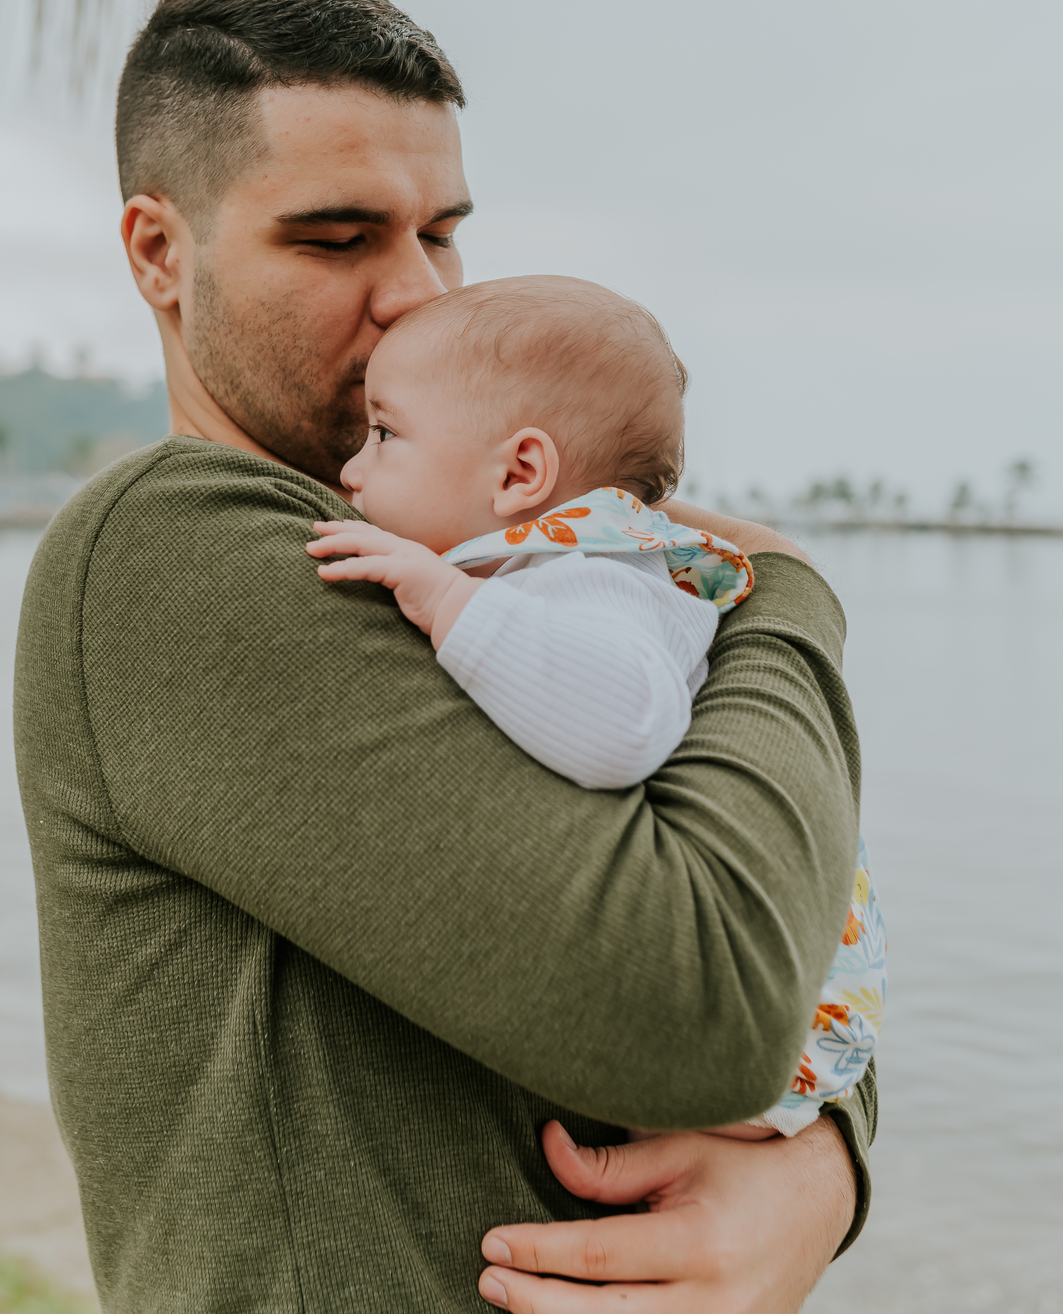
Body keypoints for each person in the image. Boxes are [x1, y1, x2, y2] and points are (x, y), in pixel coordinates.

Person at [14, 0, 875, 1314]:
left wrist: (824, 1158)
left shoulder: (484, 559)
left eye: (443, 232)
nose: (418, 294)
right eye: (337, 237)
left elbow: (792, 903)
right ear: (157, 252)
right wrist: (780, 592)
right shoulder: (178, 546)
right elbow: (711, 998)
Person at [307, 273, 886, 1144]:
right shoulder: (566, 561)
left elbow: (622, 730)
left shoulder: (598, 577)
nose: (352, 468)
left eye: (385, 434)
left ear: (521, 472)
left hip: (774, 1031)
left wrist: (446, 601)